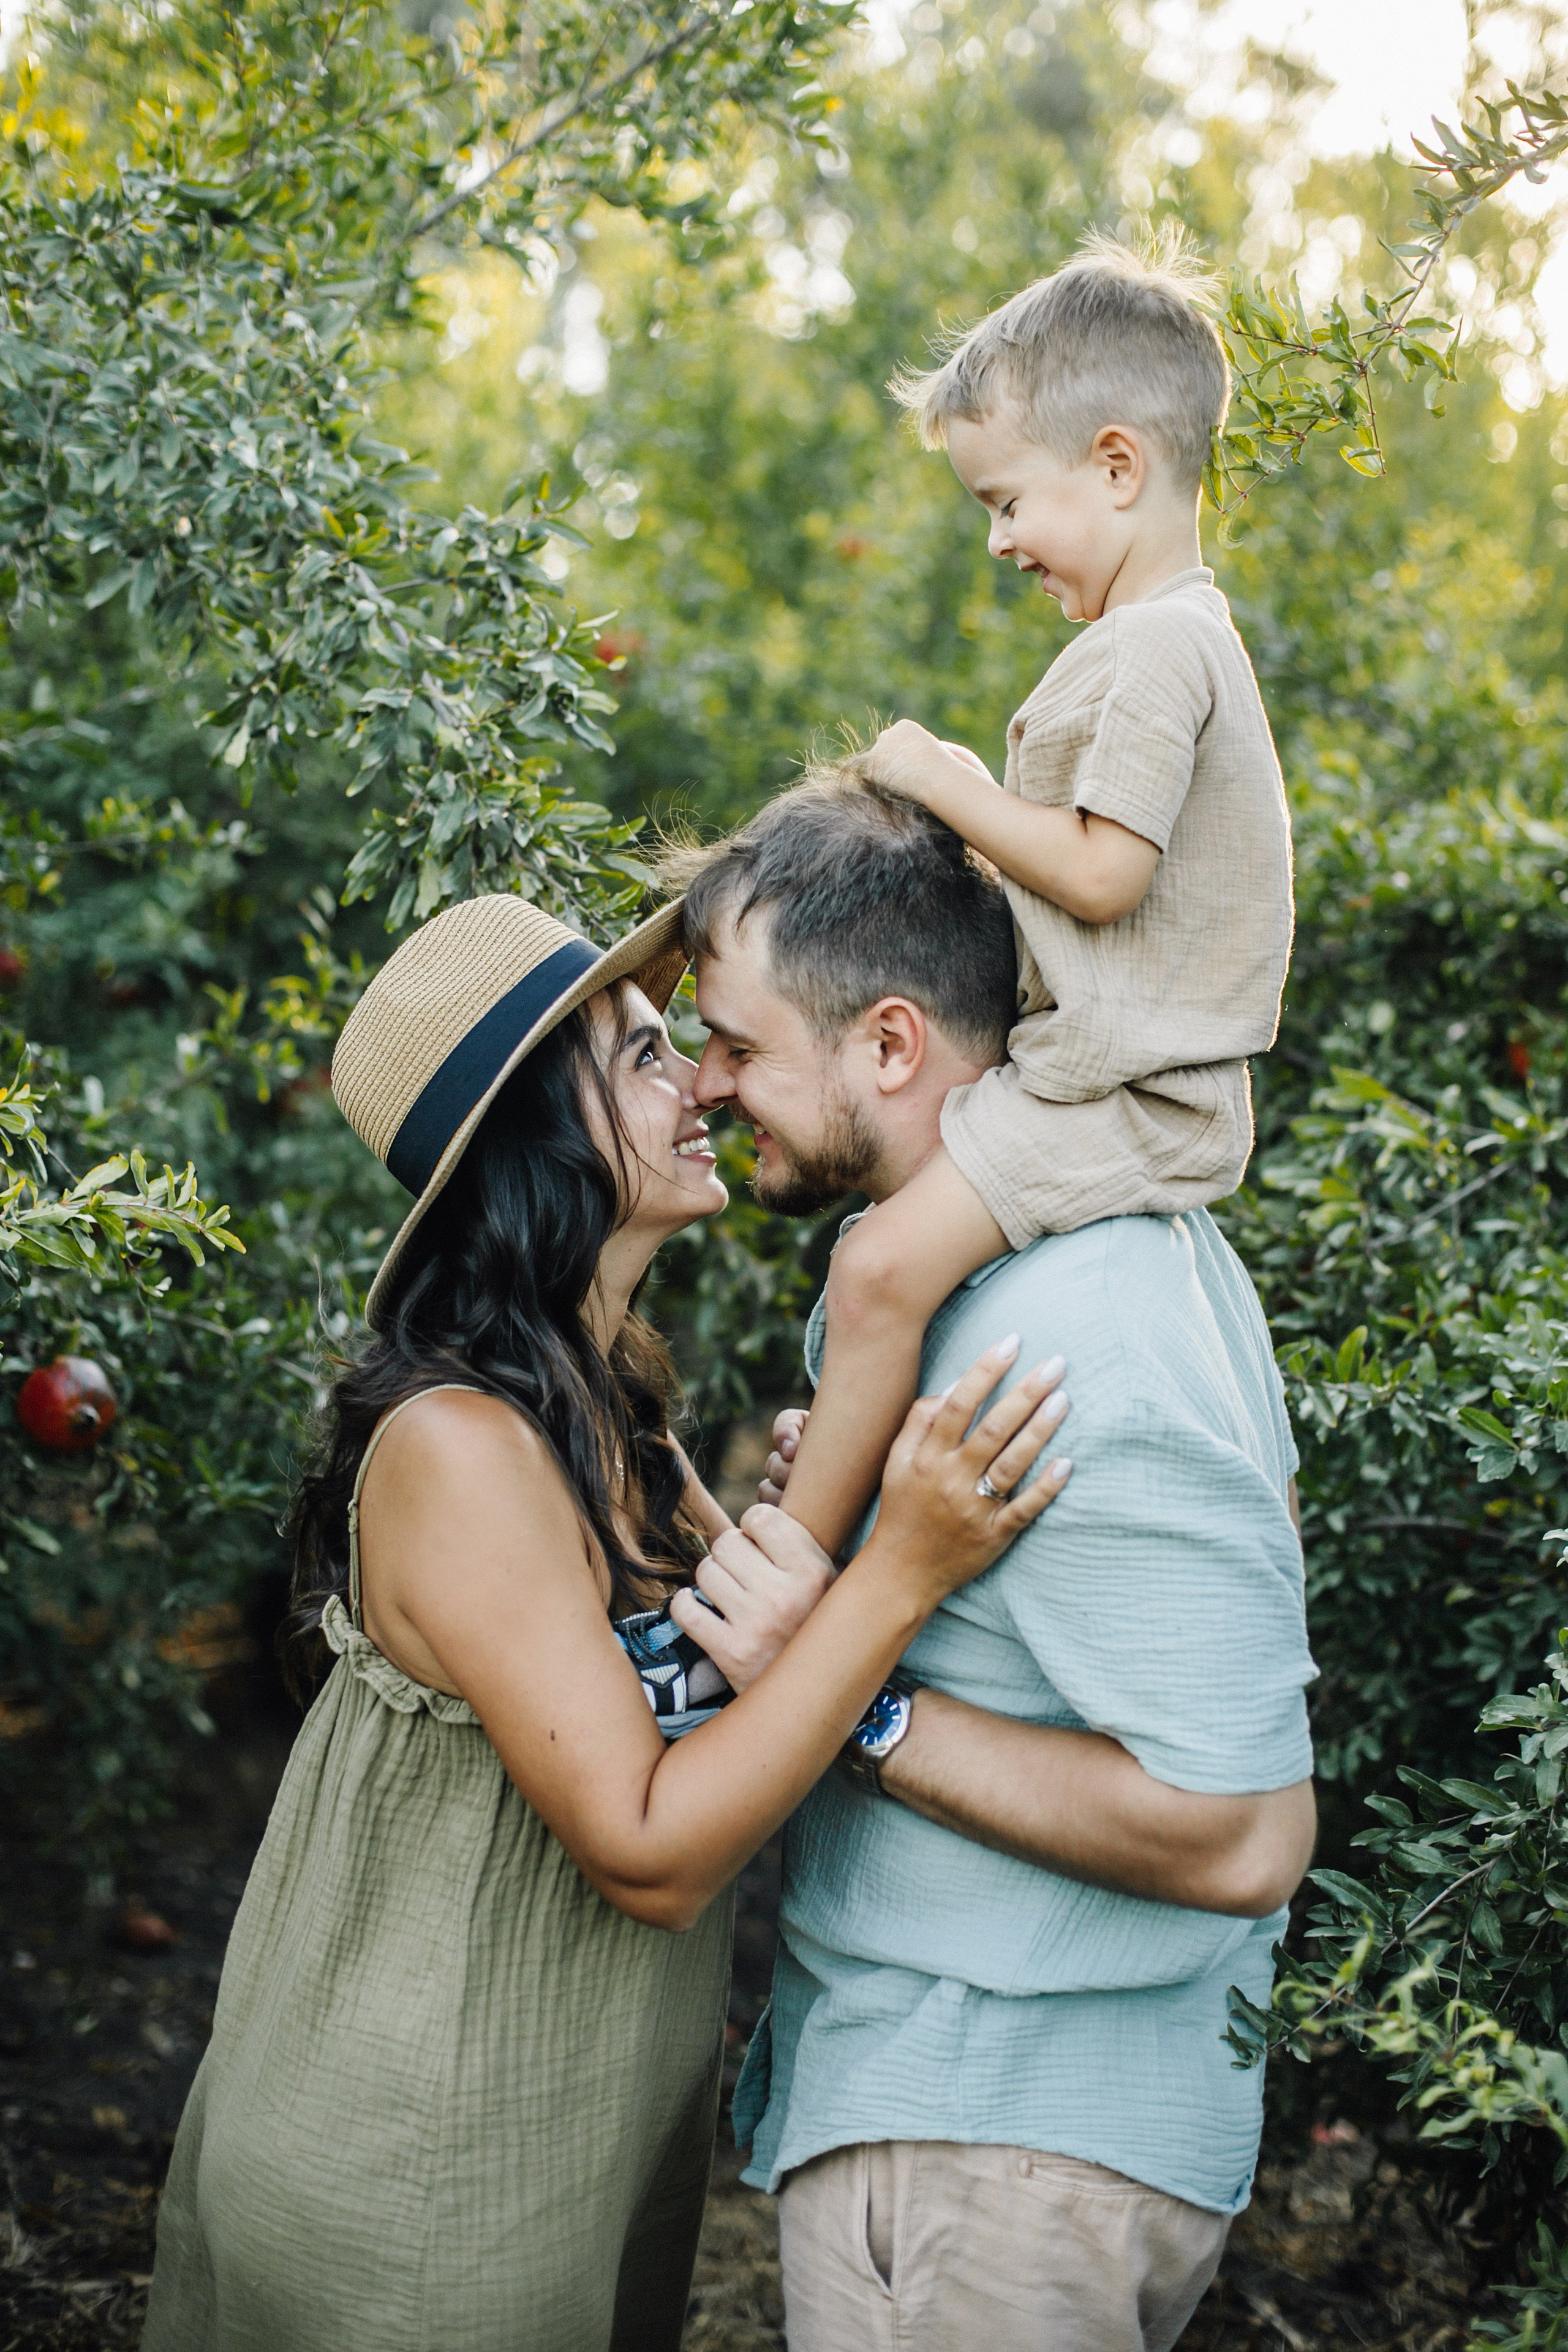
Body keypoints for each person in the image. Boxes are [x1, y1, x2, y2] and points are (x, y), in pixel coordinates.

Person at [140, 892, 1072, 2352]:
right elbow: (648, 1853)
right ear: (537, 1136)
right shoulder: (462, 1447)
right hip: (420, 2160)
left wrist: (818, 1506)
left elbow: (757, 1658)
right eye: (645, 1058)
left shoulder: (608, 1405)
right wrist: (906, 1563)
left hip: (567, 2121)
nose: (704, 1079)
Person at [663, 775, 1317, 2352]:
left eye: (739, 1044)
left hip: (999, 2157)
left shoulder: (1064, 1335)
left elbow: (1239, 1835)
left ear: (887, 1045)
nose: (706, 1085)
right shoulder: (1018, 1275)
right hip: (984, 2125)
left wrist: (849, 1694)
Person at [774, 227, 1297, 1563]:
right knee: (890, 1243)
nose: (998, 541)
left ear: (1115, 465)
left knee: (876, 1268)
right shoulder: (1153, 639)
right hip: (1090, 1079)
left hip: (1133, 1100)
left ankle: (787, 1576)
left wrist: (944, 780)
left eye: (1004, 501)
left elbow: (1102, 874)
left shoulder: (1159, 648)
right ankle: (834, 1479)